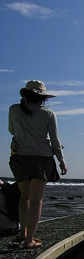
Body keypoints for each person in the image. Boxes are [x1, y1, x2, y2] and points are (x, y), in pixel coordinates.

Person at [8, 80, 67, 249]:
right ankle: (29, 241)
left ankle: (23, 233)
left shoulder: (14, 109)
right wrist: (62, 161)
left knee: (24, 197)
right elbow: (55, 141)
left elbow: (12, 130)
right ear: (42, 98)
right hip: (41, 159)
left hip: (20, 158)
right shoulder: (48, 114)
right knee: (36, 200)